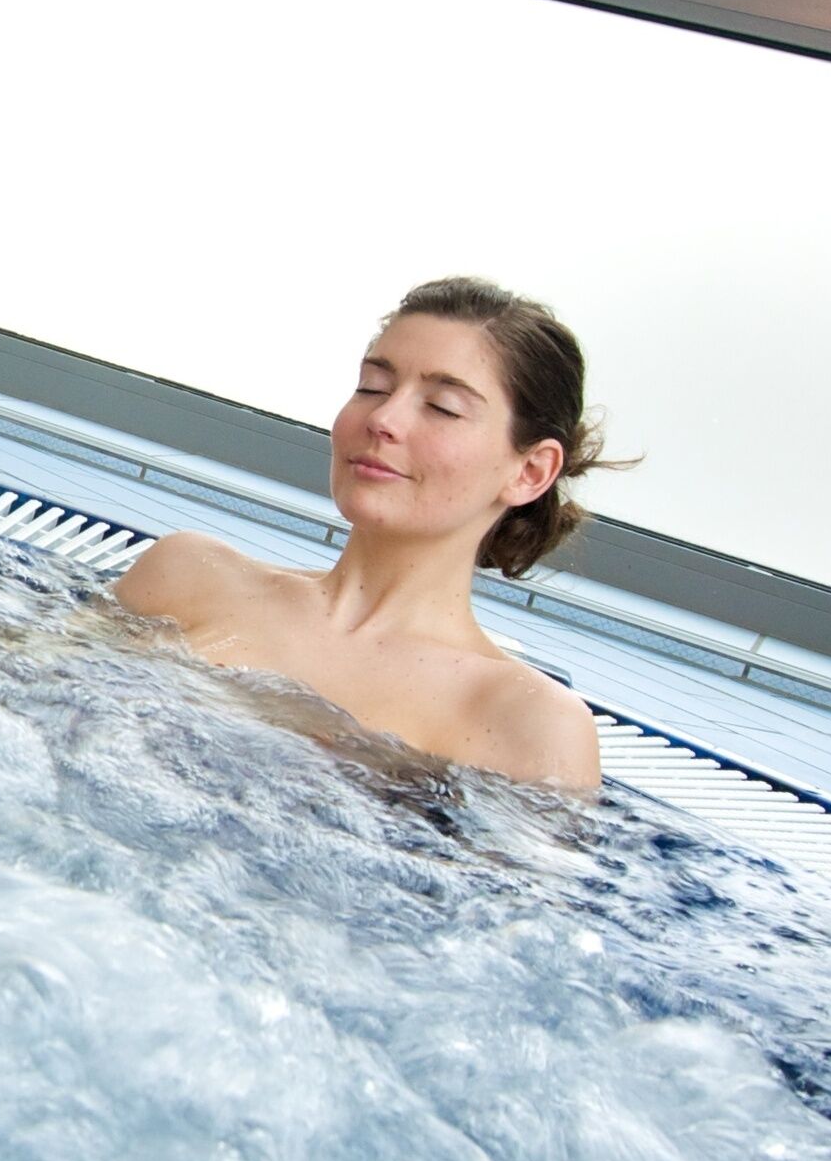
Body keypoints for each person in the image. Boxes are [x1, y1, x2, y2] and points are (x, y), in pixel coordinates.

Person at [112, 277, 608, 791]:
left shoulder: (529, 722)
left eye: (443, 407)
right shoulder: (188, 574)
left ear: (530, 472)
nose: (383, 418)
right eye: (372, 387)